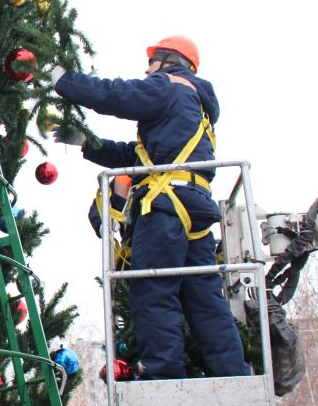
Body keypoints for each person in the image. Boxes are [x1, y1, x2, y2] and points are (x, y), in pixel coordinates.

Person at [50, 35, 251, 380]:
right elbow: (138, 157)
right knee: (204, 297)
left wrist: (63, 81)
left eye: (152, 62)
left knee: (153, 290)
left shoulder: (169, 86)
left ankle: (163, 373)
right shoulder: (194, 107)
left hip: (165, 208)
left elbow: (114, 94)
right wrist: (87, 143)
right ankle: (233, 373)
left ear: (169, 61)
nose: (147, 69)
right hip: (195, 207)